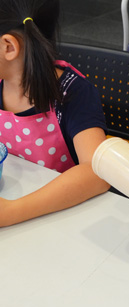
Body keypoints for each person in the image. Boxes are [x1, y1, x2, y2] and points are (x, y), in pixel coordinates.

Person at [0, 0, 110, 227]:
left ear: (8, 46)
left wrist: (12, 211)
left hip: (63, 217)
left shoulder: (73, 93)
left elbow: (98, 173)